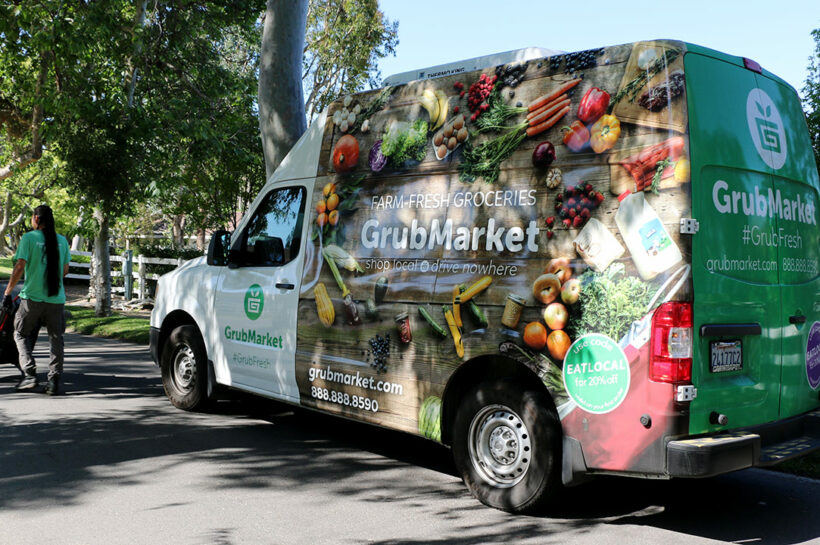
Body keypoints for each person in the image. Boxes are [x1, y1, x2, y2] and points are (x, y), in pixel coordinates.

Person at [3, 205, 70, 395]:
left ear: (36, 219)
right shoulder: (62, 241)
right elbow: (65, 270)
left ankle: (30, 374)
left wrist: (8, 293)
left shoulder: (29, 238)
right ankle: (54, 380)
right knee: (56, 338)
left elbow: (19, 266)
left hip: (31, 299)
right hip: (56, 300)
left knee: (20, 333)